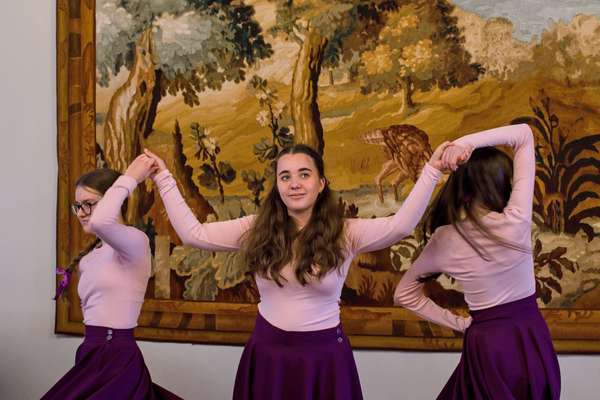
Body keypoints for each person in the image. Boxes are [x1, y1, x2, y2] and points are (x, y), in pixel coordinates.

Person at [136, 140, 463, 400]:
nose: (294, 183)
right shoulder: (254, 228)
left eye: (304, 174)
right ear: (277, 186)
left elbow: (401, 225)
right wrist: (163, 177)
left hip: (325, 359)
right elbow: (194, 234)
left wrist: (432, 170)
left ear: (321, 183)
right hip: (268, 357)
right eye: (285, 176)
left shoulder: (346, 232)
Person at [394, 124, 561, 399]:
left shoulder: (445, 238)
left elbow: (403, 294)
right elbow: (524, 135)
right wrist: (465, 143)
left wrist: (459, 323)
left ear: (463, 189)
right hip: (531, 338)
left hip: (487, 344)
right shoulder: (516, 220)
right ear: (503, 184)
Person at [43, 159, 181, 400]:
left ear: (113, 201)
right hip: (90, 353)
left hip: (117, 357)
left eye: (89, 204)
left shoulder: (135, 242)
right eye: (78, 206)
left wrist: (130, 178)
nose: (82, 213)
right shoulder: (88, 259)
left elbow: (101, 222)